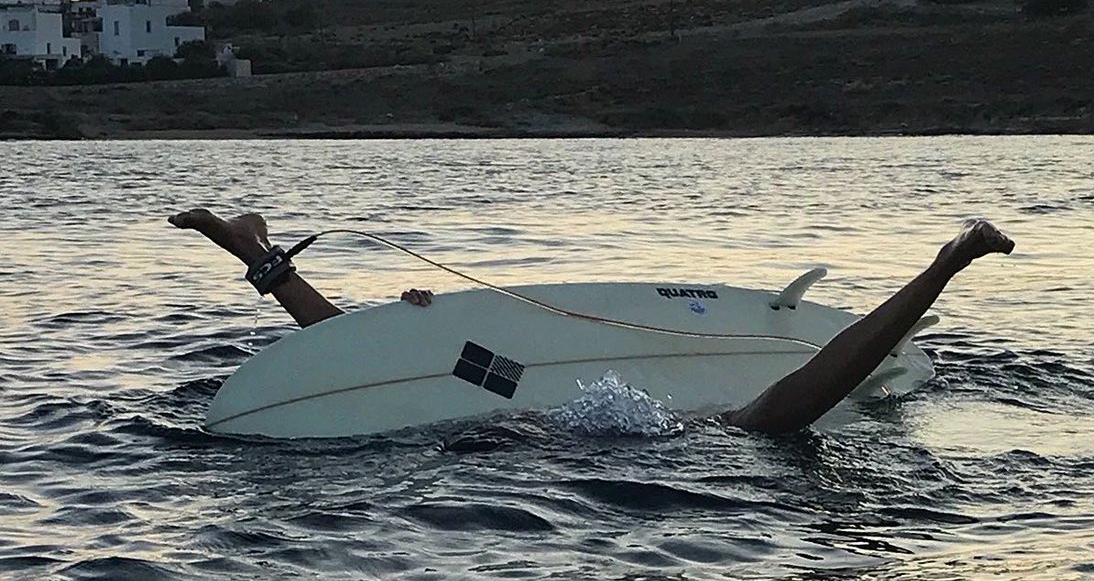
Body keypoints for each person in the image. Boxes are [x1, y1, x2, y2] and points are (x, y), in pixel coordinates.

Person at [168, 208, 1014, 436]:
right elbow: (372, 366)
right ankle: (943, 264)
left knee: (774, 420)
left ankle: (945, 263)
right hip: (540, 428)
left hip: (522, 429)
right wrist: (426, 332)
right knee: (771, 423)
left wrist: (427, 337)